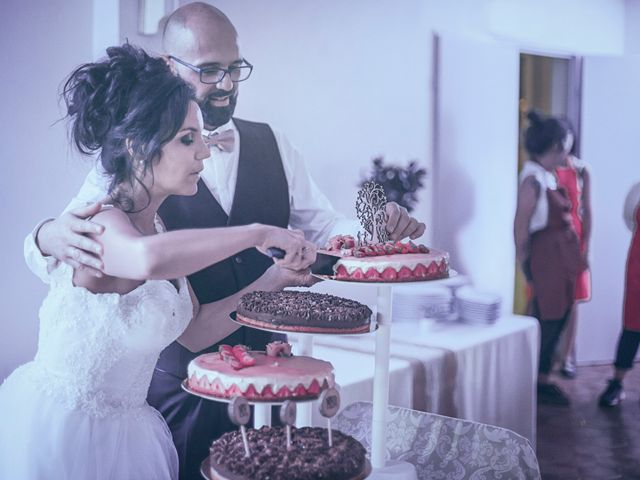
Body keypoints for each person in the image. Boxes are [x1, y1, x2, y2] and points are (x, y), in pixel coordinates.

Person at [23, 3, 427, 478]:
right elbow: (92, 250)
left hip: (270, 379)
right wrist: (44, 234)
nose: (229, 84)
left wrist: (376, 230)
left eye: (235, 68)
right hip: (167, 397)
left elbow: (326, 229)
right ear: (171, 67)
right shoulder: (124, 174)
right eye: (211, 70)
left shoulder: (270, 146)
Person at [0, 44, 315, 480]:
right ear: (135, 145)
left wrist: (275, 277)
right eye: (187, 139)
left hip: (129, 437)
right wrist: (258, 232)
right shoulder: (104, 223)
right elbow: (146, 260)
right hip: (63, 433)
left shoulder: (160, 228)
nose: (203, 153)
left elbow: (195, 330)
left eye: (201, 138)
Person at [514, 111, 582, 406]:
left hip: (560, 257)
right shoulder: (532, 180)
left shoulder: (546, 175)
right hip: (546, 258)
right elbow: (520, 227)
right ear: (555, 145)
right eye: (566, 145)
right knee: (546, 318)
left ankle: (542, 378)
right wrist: (525, 264)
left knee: (558, 316)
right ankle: (535, 382)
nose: (568, 151)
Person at [554, 122, 592, 379]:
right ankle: (540, 355)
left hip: (575, 237)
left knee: (574, 299)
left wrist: (586, 247)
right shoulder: (545, 169)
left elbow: (588, 210)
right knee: (542, 296)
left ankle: (566, 356)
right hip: (551, 238)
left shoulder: (581, 169)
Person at [598, 181, 640, 407]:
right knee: (633, 326)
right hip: (639, 270)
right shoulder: (637, 190)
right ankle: (617, 383)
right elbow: (630, 221)